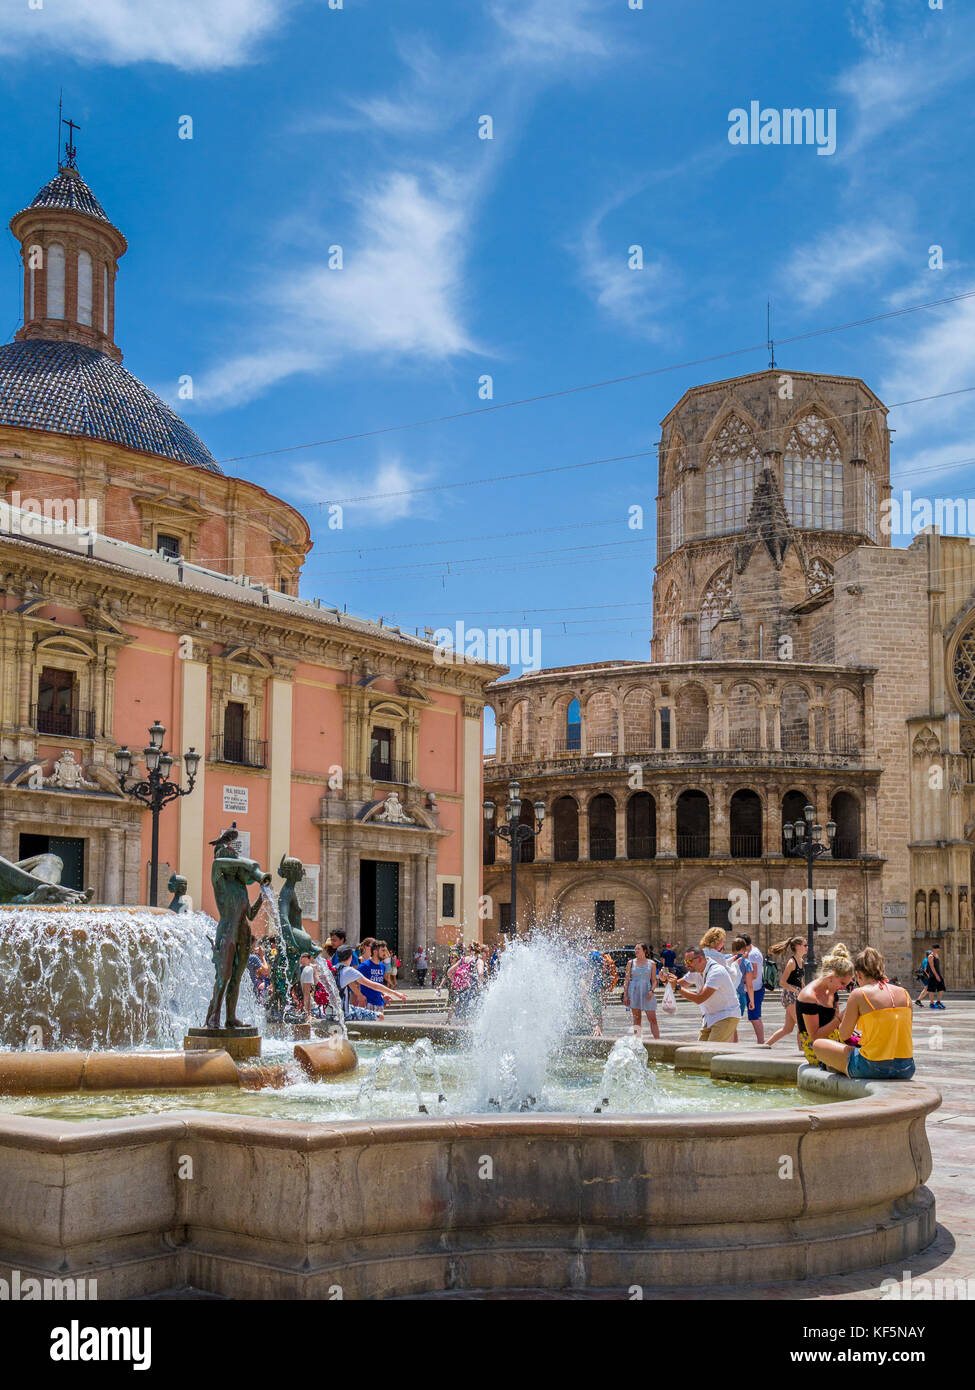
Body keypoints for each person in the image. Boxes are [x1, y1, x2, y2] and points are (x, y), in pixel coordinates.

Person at [812, 946, 915, 1080]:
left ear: (859, 975)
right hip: (906, 1068)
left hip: (872, 1066)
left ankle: (837, 1067)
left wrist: (841, 1017)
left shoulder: (859, 994)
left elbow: (844, 1034)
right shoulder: (904, 993)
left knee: (818, 1044)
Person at [794, 943, 855, 1064]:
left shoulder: (832, 991)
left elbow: (836, 1026)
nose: (843, 988)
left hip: (833, 1040)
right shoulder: (809, 997)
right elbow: (815, 1036)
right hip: (816, 1049)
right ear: (831, 976)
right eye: (842, 983)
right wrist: (840, 1018)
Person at [665, 945, 740, 1042]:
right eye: (685, 961)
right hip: (710, 1016)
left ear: (700, 959)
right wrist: (665, 980)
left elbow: (700, 998)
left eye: (689, 961)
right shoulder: (695, 971)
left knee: (710, 1050)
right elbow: (677, 983)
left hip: (726, 1015)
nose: (687, 965)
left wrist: (677, 987)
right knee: (700, 1051)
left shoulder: (716, 972)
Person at [333, 945, 405, 1020]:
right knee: (380, 1016)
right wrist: (394, 993)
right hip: (344, 1013)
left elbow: (349, 983)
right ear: (351, 957)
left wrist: (360, 995)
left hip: (334, 1011)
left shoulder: (334, 969)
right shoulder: (348, 970)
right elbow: (373, 985)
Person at [765, 936, 807, 1047]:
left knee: (787, 1029)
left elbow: (800, 981)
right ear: (798, 947)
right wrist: (796, 991)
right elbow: (782, 982)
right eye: (805, 945)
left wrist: (805, 990)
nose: (807, 947)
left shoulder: (801, 961)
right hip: (790, 995)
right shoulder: (791, 962)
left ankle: (765, 1045)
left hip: (797, 995)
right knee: (802, 1025)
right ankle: (802, 1052)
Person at [623, 942, 660, 1039]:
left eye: (638, 949)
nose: (636, 951)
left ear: (644, 951)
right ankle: (637, 1041)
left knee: (652, 1019)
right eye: (635, 949)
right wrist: (626, 995)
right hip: (634, 991)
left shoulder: (651, 963)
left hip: (647, 991)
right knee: (637, 1019)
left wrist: (652, 991)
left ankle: (658, 1041)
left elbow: (654, 980)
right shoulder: (630, 963)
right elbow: (626, 980)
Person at [728, 936, 756, 1042]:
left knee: (729, 1026)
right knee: (734, 1025)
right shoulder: (746, 963)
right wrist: (752, 1001)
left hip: (727, 995)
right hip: (739, 996)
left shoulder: (726, 959)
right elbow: (749, 985)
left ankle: (730, 1047)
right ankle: (734, 1047)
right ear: (744, 949)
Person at [741, 933, 765, 1044]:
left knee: (754, 1017)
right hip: (755, 989)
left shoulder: (753, 955)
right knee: (756, 1017)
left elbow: (754, 974)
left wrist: (741, 981)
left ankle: (761, 1042)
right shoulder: (753, 952)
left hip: (754, 990)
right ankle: (761, 1042)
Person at [358, 942, 390, 1015]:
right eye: (383, 950)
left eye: (385, 950)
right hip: (367, 1003)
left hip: (379, 1003)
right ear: (375, 951)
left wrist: (384, 994)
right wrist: (359, 996)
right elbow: (354, 982)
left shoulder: (383, 966)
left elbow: (379, 983)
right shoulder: (364, 966)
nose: (385, 953)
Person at [924, 943, 946, 1009]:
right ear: (934, 949)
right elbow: (932, 967)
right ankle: (931, 1003)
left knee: (942, 988)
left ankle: (938, 1002)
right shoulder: (930, 956)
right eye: (937, 948)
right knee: (931, 989)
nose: (938, 949)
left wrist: (939, 974)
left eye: (938, 948)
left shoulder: (937, 955)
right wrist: (936, 975)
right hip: (933, 975)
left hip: (938, 974)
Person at [299, 952, 318, 1020]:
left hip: (297, 1008)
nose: (301, 958)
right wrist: (308, 1014)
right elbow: (306, 993)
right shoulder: (308, 969)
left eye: (304, 956)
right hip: (310, 1009)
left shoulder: (297, 969)